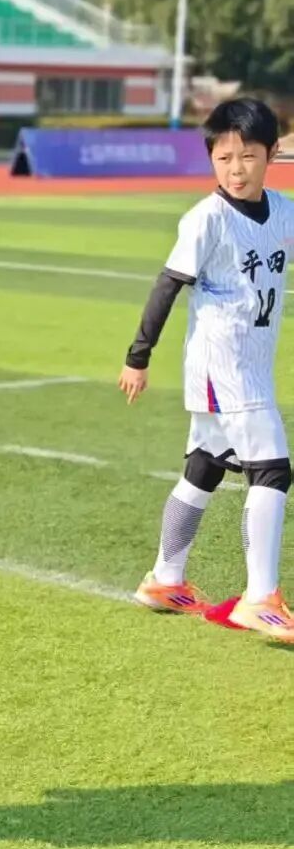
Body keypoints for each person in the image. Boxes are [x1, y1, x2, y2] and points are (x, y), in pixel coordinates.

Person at [119, 97, 294, 641]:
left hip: (251, 366)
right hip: (224, 367)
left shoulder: (283, 210)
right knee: (272, 470)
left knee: (204, 468)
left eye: (248, 156)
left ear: (271, 154)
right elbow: (167, 285)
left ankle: (165, 580)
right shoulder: (206, 218)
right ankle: (260, 598)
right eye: (224, 158)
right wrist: (138, 356)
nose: (236, 169)